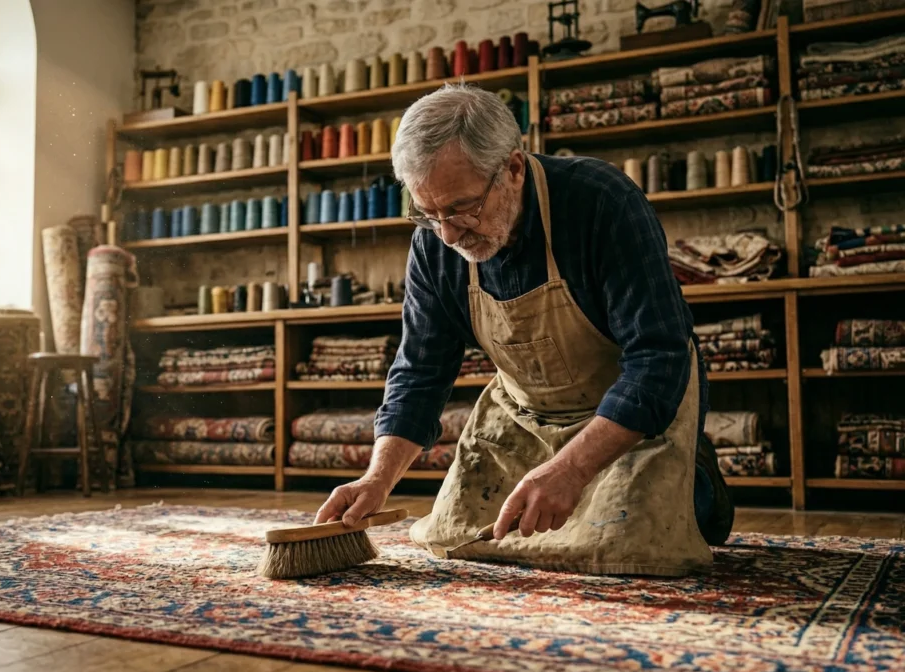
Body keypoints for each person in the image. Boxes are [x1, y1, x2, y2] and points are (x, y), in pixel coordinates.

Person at [313, 84, 734, 575]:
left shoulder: (602, 202)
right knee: (455, 535)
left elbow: (658, 358)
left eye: (462, 208)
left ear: (512, 169)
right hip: (524, 419)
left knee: (630, 549)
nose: (448, 234)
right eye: (428, 215)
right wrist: (377, 479)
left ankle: (696, 484)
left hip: (630, 417)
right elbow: (420, 370)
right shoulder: (436, 243)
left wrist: (573, 469)